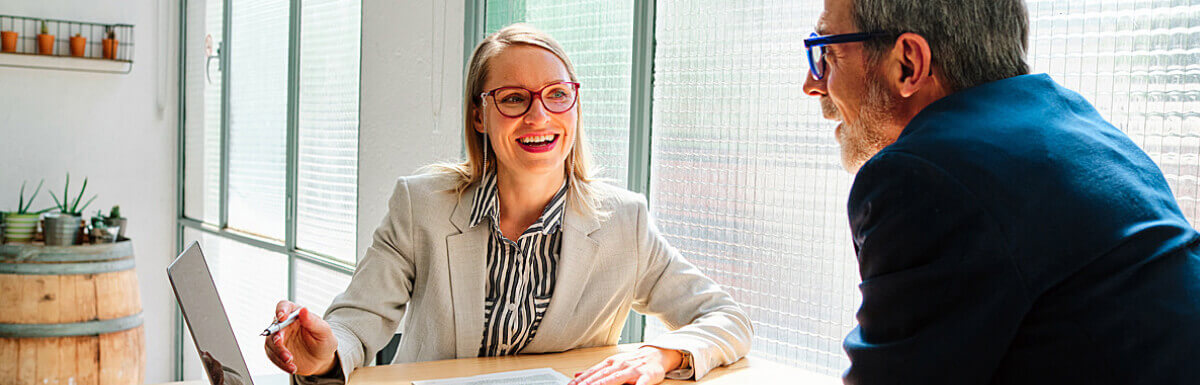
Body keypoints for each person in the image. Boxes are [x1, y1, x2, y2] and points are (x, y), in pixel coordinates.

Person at [263, 24, 752, 385]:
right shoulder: (421, 206)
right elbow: (355, 324)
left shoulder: (625, 221)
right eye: (515, 98)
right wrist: (322, 358)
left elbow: (726, 318)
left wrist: (661, 354)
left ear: (575, 107)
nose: (539, 115)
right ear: (479, 114)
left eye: (558, 95)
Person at [802, 0, 1200, 383]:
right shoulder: (1082, 130)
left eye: (829, 52)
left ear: (908, 62)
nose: (812, 84)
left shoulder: (923, 174)